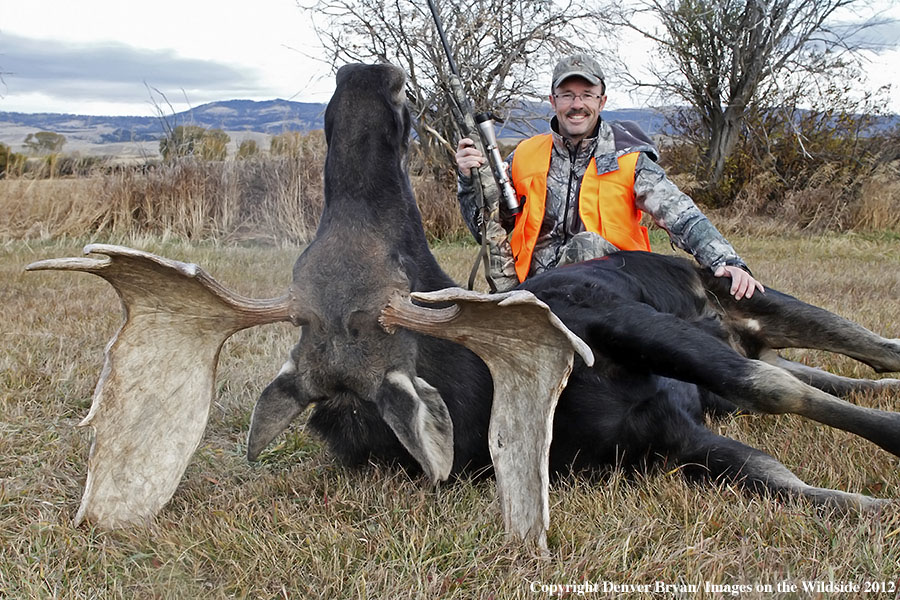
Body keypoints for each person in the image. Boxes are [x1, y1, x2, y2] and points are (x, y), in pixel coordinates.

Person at [455, 53, 763, 300]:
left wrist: (727, 262)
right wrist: (469, 181)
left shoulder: (629, 158)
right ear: (553, 101)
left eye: (587, 95)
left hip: (616, 293)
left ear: (602, 102)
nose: (577, 105)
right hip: (534, 291)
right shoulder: (524, 154)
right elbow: (488, 230)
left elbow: (682, 215)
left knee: (586, 245)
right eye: (567, 95)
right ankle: (514, 310)